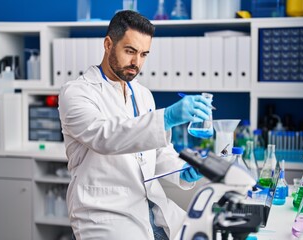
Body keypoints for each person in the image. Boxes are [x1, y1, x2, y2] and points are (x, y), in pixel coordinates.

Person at [58, 10, 213, 240]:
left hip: (152, 210)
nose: (136, 62)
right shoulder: (77, 92)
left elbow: (157, 152)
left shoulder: (142, 94)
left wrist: (182, 170)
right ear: (108, 44)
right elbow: (106, 137)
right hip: (106, 217)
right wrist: (167, 117)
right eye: (130, 51)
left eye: (143, 54)